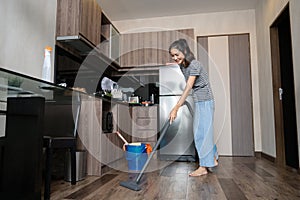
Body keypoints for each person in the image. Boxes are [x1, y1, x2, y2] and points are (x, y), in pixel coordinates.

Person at [168, 38, 218, 176]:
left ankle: (204, 167)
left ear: (185, 51)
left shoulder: (195, 65)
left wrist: (176, 107)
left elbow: (189, 86)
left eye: (177, 54)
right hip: (200, 101)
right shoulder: (182, 66)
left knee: (200, 134)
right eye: (172, 55)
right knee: (204, 132)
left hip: (205, 101)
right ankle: (212, 158)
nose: (174, 58)